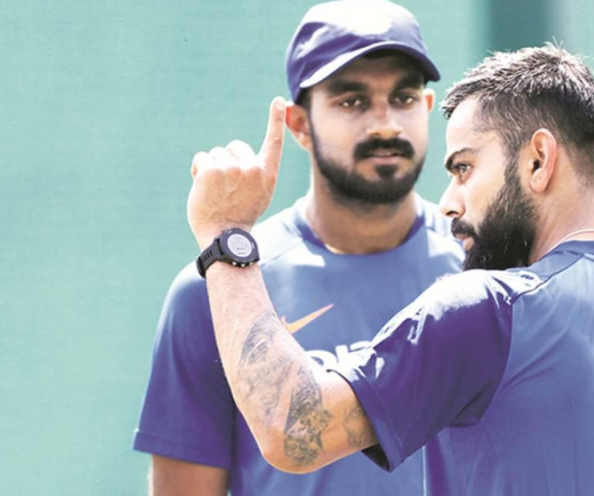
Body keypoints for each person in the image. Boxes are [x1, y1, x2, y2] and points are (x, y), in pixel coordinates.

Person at [184, 45, 594, 495]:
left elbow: (292, 424)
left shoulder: (485, 313)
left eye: (465, 167)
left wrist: (225, 236)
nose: (449, 201)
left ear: (538, 160)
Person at [132, 1, 463, 495]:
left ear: (429, 108)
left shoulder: (487, 271)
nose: (386, 124)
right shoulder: (220, 288)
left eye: (404, 97)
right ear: (299, 124)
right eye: (352, 101)